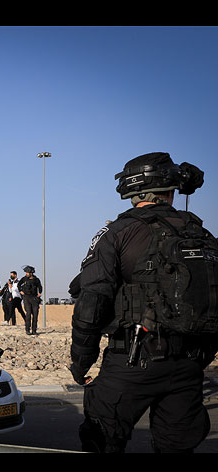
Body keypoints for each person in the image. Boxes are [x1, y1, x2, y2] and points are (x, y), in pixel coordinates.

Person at [68, 152, 218, 453]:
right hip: (188, 364)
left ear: (132, 189)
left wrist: (81, 360)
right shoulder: (202, 234)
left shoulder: (118, 232)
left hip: (133, 360)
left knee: (102, 438)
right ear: (170, 189)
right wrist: (199, 357)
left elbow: (92, 300)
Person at [18, 265, 42, 335]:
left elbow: (40, 287)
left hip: (34, 298)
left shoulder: (36, 280)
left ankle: (34, 330)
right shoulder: (24, 279)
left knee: (35, 314)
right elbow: (19, 285)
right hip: (26, 298)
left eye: (27, 272)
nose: (26, 274)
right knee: (28, 313)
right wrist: (20, 291)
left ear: (31, 273)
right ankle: (27, 329)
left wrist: (40, 293)